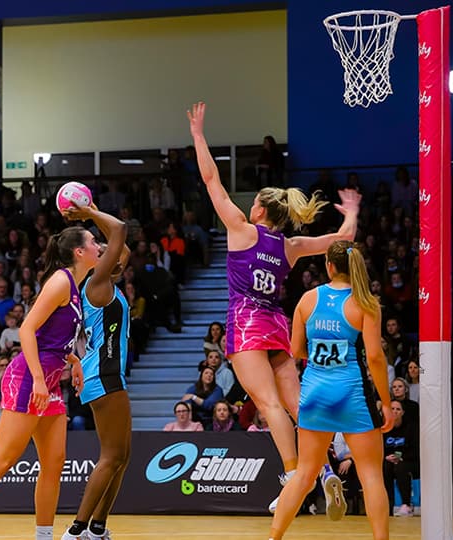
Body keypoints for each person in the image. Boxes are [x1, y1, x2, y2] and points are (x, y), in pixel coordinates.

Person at [189, 102, 360, 513]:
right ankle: (324, 470)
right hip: (276, 325)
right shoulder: (290, 246)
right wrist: (352, 212)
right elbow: (342, 241)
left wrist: (197, 135)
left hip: (246, 322)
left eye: (254, 203)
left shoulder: (241, 229)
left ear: (261, 209)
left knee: (268, 405)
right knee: (298, 406)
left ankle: (294, 478)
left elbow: (211, 179)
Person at [0, 225, 97, 540]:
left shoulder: (75, 287)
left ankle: (43, 536)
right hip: (28, 377)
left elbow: (53, 340)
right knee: (3, 459)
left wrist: (74, 361)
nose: (99, 246)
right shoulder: (60, 281)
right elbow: (27, 329)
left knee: (54, 463)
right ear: (79, 252)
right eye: (94, 242)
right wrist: (38, 380)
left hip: (49, 381)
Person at [269, 242, 394, 540]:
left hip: (315, 395)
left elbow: (296, 349)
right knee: (371, 476)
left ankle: (274, 537)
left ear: (329, 266)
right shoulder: (365, 303)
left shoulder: (308, 299)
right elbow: (375, 358)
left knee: (303, 475)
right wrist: (387, 403)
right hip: (352, 395)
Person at [61, 202, 131, 540]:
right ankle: (76, 530)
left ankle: (98, 527)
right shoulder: (95, 283)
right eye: (94, 243)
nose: (101, 245)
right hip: (103, 373)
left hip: (104, 373)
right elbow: (120, 230)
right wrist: (90, 212)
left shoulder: (104, 280)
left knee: (122, 457)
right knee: (111, 456)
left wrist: (94, 215)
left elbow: (123, 248)